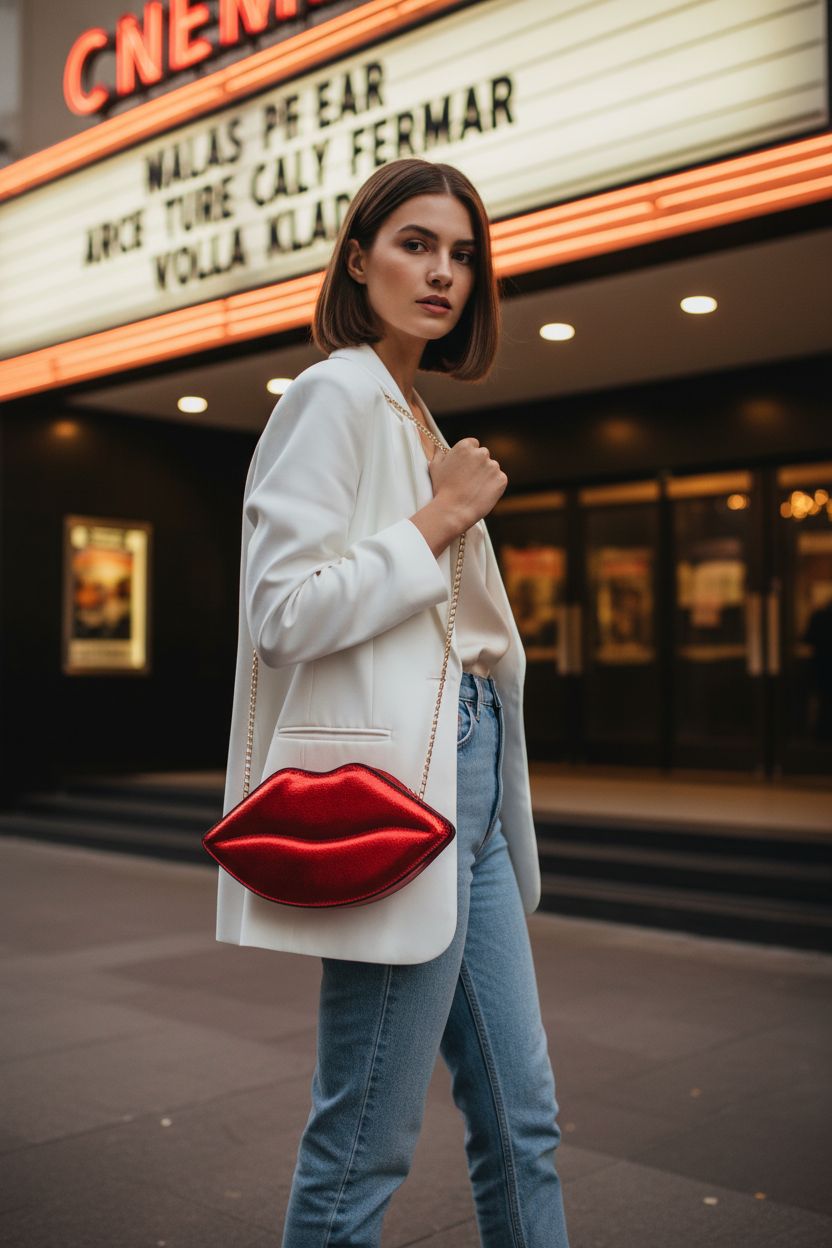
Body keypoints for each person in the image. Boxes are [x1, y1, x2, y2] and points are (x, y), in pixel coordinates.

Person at [216, 157, 570, 1247]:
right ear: (358, 257)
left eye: (461, 254)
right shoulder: (335, 393)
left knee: (525, 1120)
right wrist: (438, 521)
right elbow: (282, 611)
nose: (442, 272)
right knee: (365, 1134)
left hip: (468, 770)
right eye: (416, 245)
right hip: (396, 788)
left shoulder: (412, 410)